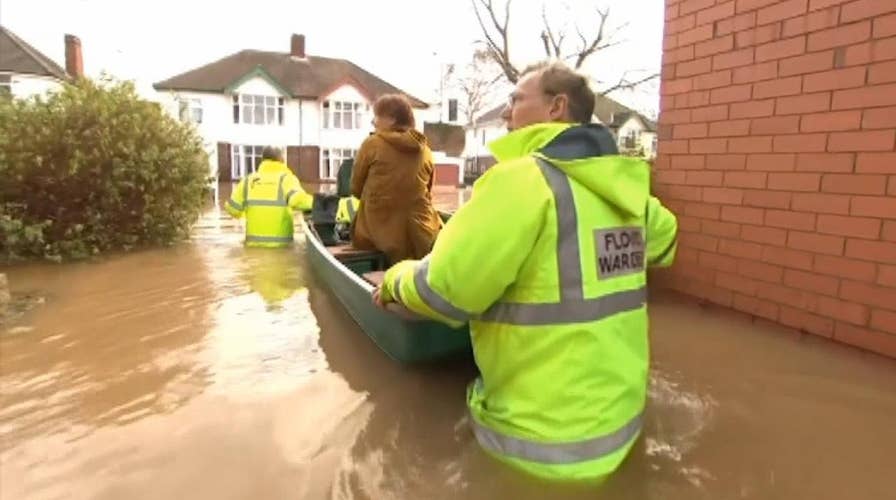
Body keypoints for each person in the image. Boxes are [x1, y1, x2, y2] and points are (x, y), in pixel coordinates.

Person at [372, 61, 679, 482]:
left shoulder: (519, 181)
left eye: (516, 99)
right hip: (623, 431)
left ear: (556, 107)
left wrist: (395, 279)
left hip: (536, 449)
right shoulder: (627, 193)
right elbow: (666, 242)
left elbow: (445, 289)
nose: (505, 111)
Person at [349, 93, 442, 265]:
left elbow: (355, 189)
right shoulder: (426, 151)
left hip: (377, 236)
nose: (373, 122)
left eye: (377, 116)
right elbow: (428, 193)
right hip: (422, 236)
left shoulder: (372, 144)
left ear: (392, 119)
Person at [226, 146, 313, 247]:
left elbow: (232, 209)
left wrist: (247, 213)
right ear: (281, 159)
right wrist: (318, 203)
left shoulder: (248, 181)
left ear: (262, 160)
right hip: (281, 247)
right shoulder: (287, 179)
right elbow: (297, 201)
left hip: (253, 246)